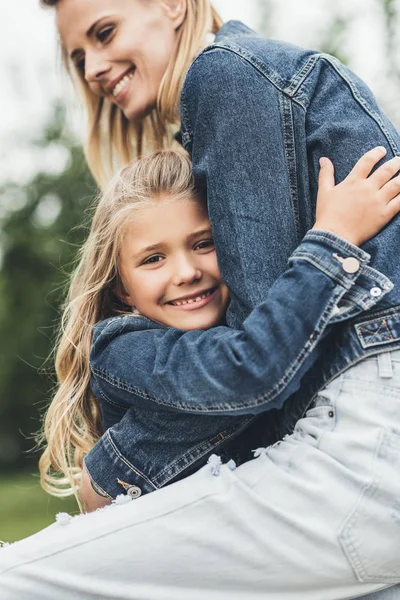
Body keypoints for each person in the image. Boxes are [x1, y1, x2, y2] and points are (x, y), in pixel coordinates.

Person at [1, 0, 400, 597]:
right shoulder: (258, 83)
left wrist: (114, 469)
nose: (92, 69)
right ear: (121, 287)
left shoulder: (225, 76)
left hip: (365, 453)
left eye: (105, 33)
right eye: (79, 56)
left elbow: (258, 367)